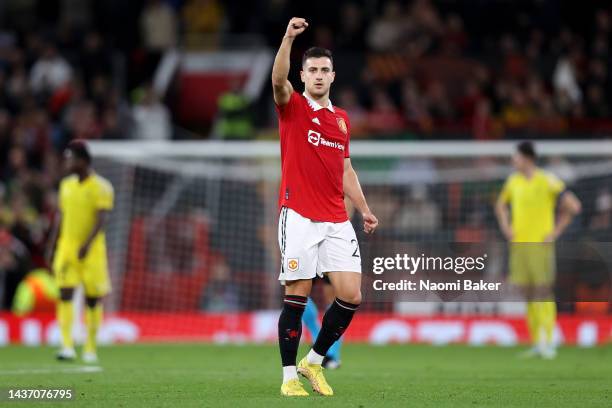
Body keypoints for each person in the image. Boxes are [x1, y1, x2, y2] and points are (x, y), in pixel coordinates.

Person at [272, 17, 378, 397]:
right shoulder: (293, 107)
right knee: (297, 295)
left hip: (336, 216)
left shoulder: (342, 121)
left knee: (351, 295)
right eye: (312, 70)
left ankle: (312, 363)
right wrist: (287, 38)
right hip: (298, 214)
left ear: (333, 77)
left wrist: (363, 207)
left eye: (324, 70)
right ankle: (287, 378)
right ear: (303, 75)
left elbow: (345, 168)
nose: (318, 75)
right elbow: (276, 81)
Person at [495, 141, 581, 359]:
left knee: (543, 292)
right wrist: (506, 227)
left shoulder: (547, 180)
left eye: (516, 156)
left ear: (527, 158)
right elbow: (500, 205)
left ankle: (549, 341)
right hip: (519, 246)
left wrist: (555, 231)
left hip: (540, 246)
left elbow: (574, 206)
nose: (513, 160)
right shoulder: (513, 181)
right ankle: (537, 342)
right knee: (527, 293)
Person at [49, 140, 114, 363]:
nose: (67, 162)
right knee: (65, 293)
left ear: (83, 161)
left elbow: (102, 219)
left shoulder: (102, 187)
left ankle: (90, 347)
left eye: (71, 158)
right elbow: (60, 217)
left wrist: (86, 245)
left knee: (93, 299)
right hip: (67, 249)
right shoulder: (66, 185)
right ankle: (67, 345)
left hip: (92, 251)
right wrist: (53, 245)